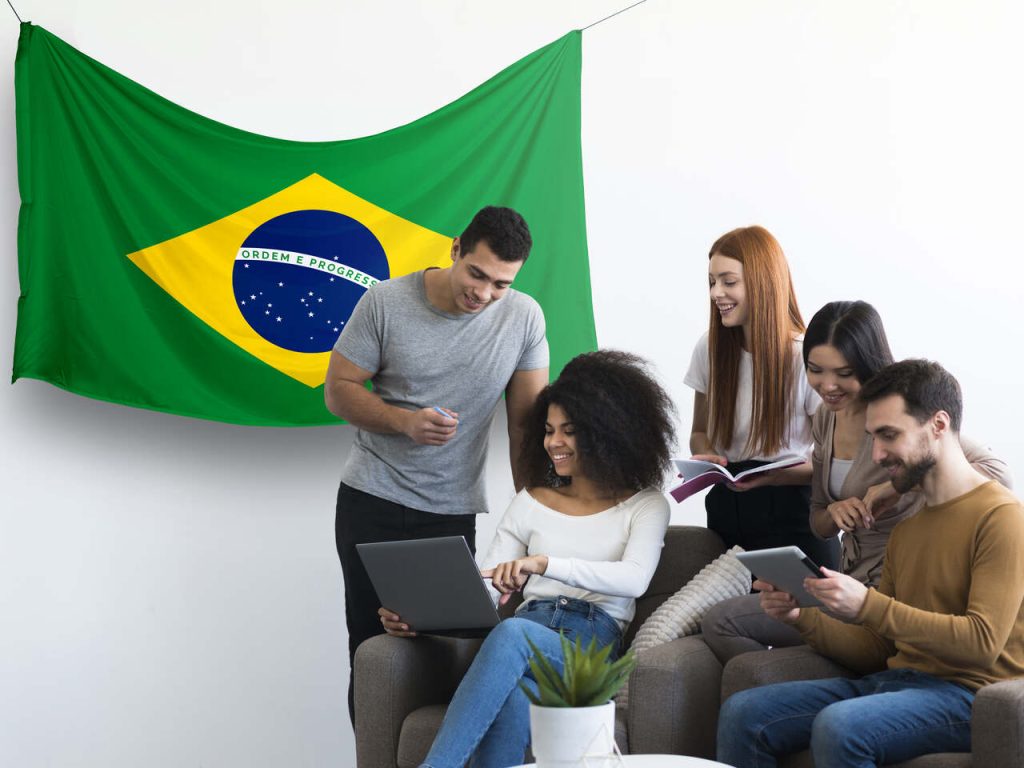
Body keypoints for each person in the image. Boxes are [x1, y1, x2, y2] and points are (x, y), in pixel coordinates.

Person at [717, 359, 1024, 768]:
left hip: (970, 695)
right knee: (743, 713)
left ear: (938, 424)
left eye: (889, 435)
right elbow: (879, 648)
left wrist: (867, 605)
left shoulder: (1001, 517)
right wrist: (801, 617)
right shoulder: (908, 530)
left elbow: (982, 643)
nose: (877, 454)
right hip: (897, 682)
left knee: (840, 726)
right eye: (873, 437)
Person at [379, 350, 676, 768]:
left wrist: (543, 563)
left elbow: (634, 579)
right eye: (549, 430)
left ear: (608, 432)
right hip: (528, 631)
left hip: (589, 649)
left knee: (512, 633)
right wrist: (417, 616)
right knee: (516, 696)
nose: (554, 442)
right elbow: (484, 586)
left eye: (569, 431)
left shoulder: (646, 505)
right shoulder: (530, 500)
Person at [325, 206, 550, 721]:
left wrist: (533, 520)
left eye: (501, 284)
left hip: (450, 512)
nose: (484, 293)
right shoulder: (386, 302)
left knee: (451, 655)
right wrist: (404, 422)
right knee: (373, 652)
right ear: (455, 249)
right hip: (372, 501)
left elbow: (525, 428)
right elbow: (338, 391)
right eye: (477, 274)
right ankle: (376, 754)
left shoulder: (524, 318)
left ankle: (434, 753)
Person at [701, 301, 1010, 663]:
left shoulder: (900, 417)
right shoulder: (826, 418)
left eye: (843, 373)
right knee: (726, 621)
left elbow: (995, 471)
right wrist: (835, 511)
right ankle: (823, 662)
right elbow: (819, 523)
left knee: (726, 622)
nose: (827, 385)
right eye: (815, 370)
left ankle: (838, 663)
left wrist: (895, 487)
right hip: (848, 579)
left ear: (867, 365)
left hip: (893, 590)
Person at [685, 225, 838, 568]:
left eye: (728, 281)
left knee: (803, 602)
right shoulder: (709, 349)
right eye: (712, 282)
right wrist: (707, 456)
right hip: (728, 508)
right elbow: (699, 432)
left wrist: (774, 476)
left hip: (793, 512)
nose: (716, 293)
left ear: (762, 282)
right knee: (724, 602)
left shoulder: (803, 357)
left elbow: (832, 460)